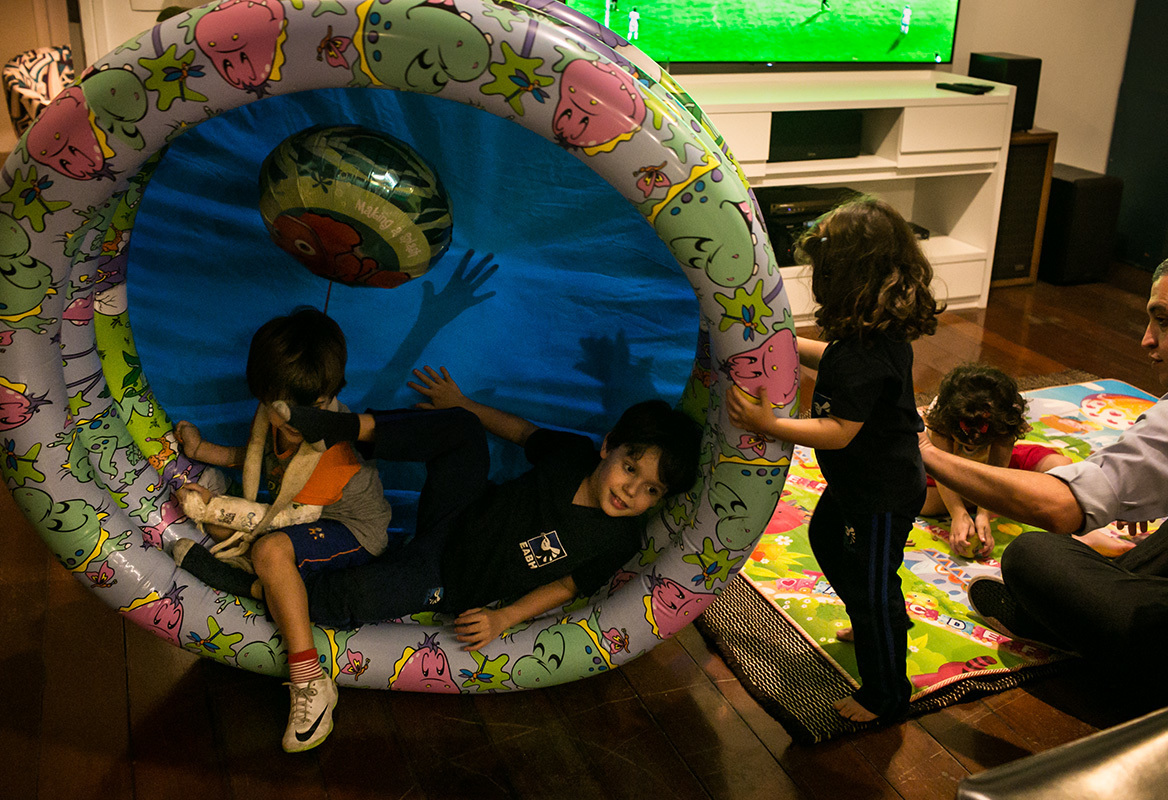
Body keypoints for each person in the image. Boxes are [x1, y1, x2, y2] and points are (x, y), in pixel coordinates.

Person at [919, 247, 1168, 706]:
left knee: (1032, 552)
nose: (1147, 340)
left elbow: (1057, 507)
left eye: (1163, 321)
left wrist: (927, 452)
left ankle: (1055, 619)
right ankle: (1097, 591)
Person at [274, 365, 703, 653]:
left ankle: (265, 590)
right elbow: (523, 432)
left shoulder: (617, 538)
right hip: (456, 514)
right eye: (630, 468)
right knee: (462, 426)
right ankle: (340, 428)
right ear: (608, 445)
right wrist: (463, 403)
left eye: (650, 489)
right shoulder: (574, 455)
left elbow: (567, 587)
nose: (631, 490)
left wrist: (504, 618)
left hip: (447, 578)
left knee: (363, 594)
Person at [725, 196, 941, 723]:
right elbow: (836, 361)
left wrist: (768, 424)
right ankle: (878, 615)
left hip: (879, 494)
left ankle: (885, 695)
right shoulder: (865, 337)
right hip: (859, 485)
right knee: (825, 540)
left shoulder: (870, 348)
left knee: (873, 586)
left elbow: (837, 432)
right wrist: (785, 345)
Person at [171, 307, 392, 754]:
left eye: (317, 407)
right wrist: (203, 451)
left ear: (332, 394)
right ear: (264, 394)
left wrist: (224, 507)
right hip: (295, 517)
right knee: (227, 526)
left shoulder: (334, 448)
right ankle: (271, 584)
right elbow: (264, 464)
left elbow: (295, 519)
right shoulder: (269, 419)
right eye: (284, 411)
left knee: (270, 551)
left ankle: (311, 680)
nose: (298, 422)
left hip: (351, 530)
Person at [921, 363, 1135, 560]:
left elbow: (997, 470)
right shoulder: (943, 415)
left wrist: (984, 514)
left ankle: (1085, 533)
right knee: (919, 499)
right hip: (945, 473)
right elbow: (942, 467)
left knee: (1060, 465)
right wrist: (958, 513)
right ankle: (1013, 498)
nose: (973, 442)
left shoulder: (1003, 416)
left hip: (991, 470)